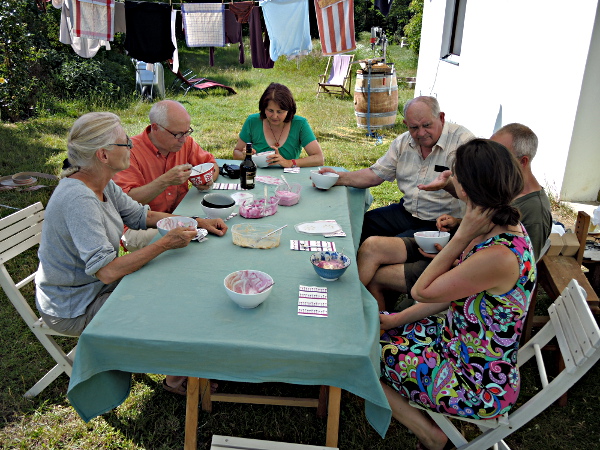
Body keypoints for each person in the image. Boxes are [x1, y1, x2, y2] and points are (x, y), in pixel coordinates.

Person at [379, 138, 536, 450]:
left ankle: (434, 438)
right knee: (373, 334)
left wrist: (460, 236)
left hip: (477, 382)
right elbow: (448, 297)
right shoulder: (497, 224)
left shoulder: (498, 251)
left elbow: (423, 291)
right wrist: (396, 318)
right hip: (457, 343)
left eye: (455, 174)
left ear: (466, 187)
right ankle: (435, 430)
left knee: (363, 355)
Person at [35, 112, 198, 393]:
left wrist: (192, 220)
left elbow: (138, 216)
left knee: (173, 279)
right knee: (168, 302)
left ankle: (178, 364)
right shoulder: (79, 199)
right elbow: (108, 271)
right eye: (125, 144)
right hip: (75, 305)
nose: (132, 147)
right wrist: (162, 244)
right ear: (103, 155)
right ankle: (176, 374)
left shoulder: (101, 181)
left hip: (92, 287)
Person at [359, 123, 551, 311]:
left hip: (463, 323)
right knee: (372, 247)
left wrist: (458, 241)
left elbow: (508, 273)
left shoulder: (530, 218)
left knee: (379, 275)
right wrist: (458, 222)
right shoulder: (499, 203)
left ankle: (372, 329)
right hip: (454, 259)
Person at [318, 96, 474, 243]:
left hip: (444, 223)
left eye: (427, 125)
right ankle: (350, 267)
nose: (420, 133)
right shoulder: (403, 142)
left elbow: (476, 195)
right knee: (362, 225)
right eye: (414, 127)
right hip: (407, 211)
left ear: (441, 118)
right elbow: (375, 175)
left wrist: (447, 184)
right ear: (406, 124)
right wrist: (338, 178)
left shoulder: (463, 143)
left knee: (389, 245)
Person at [113, 100, 227, 252]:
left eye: (187, 132)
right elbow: (126, 203)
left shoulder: (185, 143)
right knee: (191, 243)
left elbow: (211, 164)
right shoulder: (130, 152)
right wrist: (165, 181)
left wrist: (207, 179)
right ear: (155, 128)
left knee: (219, 226)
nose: (184, 139)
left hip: (180, 215)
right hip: (140, 227)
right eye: (178, 134)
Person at [233, 82, 325, 168]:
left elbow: (319, 159)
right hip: (256, 175)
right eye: (270, 110)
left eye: (280, 112)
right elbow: (236, 152)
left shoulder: (300, 124)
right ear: (263, 108)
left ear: (289, 110)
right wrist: (245, 156)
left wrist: (289, 163)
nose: (274, 116)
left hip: (288, 178)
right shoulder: (252, 121)